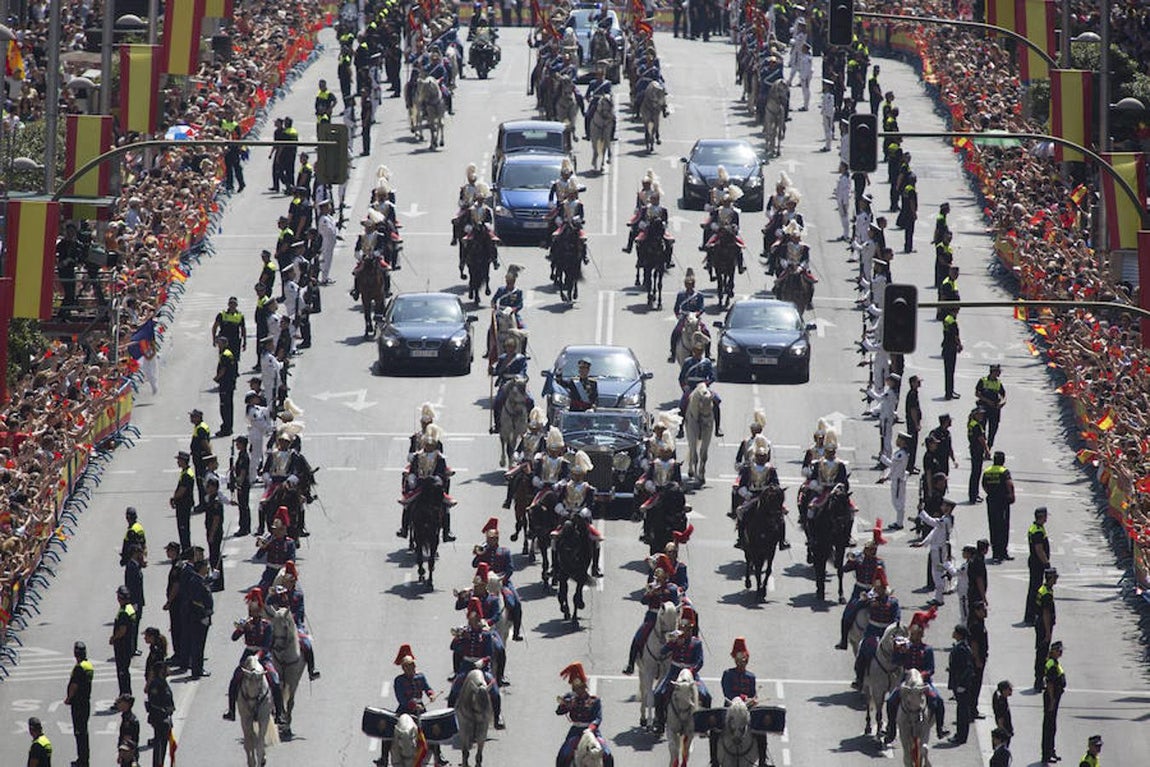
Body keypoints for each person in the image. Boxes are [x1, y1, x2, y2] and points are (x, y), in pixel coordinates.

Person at [448, 599, 505, 729]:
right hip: (467, 666)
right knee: (454, 690)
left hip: (482, 667)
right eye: (470, 619)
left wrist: (482, 661)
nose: (472, 622)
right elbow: (453, 648)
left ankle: (497, 717)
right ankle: (450, 719)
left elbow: (489, 655)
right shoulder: (464, 632)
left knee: (494, 691)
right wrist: (459, 638)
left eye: (474, 619)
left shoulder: (485, 635)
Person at [622, 555, 682, 675]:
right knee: (639, 636)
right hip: (653, 616)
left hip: (668, 618)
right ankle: (631, 664)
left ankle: (680, 665)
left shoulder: (672, 588)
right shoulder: (652, 586)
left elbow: (675, 604)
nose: (659, 578)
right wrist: (651, 593)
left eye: (662, 575)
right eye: (657, 575)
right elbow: (643, 601)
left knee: (680, 639)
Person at [717, 637, 771, 767]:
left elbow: (752, 693)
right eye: (740, 659)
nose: (743, 662)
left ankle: (763, 760)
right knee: (715, 729)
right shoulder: (728, 674)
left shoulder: (751, 677)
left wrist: (753, 700)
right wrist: (742, 698)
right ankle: (714, 761)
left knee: (761, 728)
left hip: (747, 709)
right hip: (731, 707)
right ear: (735, 660)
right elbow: (727, 693)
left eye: (745, 659)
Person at [654, 607, 711, 730]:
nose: (686, 630)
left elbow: (700, 662)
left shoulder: (696, 643)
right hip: (674, 672)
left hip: (690, 674)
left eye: (688, 628)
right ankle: (659, 722)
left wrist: (691, 671)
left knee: (706, 696)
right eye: (684, 627)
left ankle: (702, 725)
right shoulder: (675, 639)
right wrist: (672, 642)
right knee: (658, 693)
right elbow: (662, 652)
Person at [837, 523, 886, 649]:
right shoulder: (859, 559)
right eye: (869, 549)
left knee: (886, 612)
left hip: (873, 591)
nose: (871, 551)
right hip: (859, 590)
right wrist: (850, 562)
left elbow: (882, 579)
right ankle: (843, 641)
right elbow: (845, 569)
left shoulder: (879, 563)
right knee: (847, 615)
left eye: (873, 550)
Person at [473, 517, 524, 641]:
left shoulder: (504, 551)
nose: (490, 541)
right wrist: (478, 555)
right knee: (471, 599)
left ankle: (516, 632)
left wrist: (503, 580)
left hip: (502, 581)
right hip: (484, 582)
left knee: (516, 603)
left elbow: (510, 569)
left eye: (492, 539)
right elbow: (474, 565)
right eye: (488, 539)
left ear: (497, 539)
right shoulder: (484, 551)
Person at [555, 662, 611, 767]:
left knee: (607, 754)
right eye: (576, 689)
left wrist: (590, 729)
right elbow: (559, 712)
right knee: (563, 755)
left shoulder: (594, 700)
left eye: (580, 688)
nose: (578, 691)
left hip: (591, 731)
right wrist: (566, 705)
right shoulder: (570, 698)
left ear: (585, 687)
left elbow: (598, 718)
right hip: (576, 730)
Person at [853, 567, 899, 689]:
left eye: (880, 588)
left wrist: (893, 631)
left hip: (887, 631)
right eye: (876, 588)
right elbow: (858, 604)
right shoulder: (871, 598)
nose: (878, 591)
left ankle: (901, 680)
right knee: (862, 651)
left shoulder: (893, 602)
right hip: (872, 630)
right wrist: (865, 600)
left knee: (900, 652)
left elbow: (896, 618)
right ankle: (859, 678)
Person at [914, 496, 955, 606]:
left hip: (940, 551)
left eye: (944, 505)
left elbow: (930, 522)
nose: (942, 507)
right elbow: (934, 532)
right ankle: (938, 597)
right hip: (936, 550)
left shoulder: (946, 520)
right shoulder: (944, 519)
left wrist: (921, 511)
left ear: (949, 508)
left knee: (938, 573)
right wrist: (923, 543)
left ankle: (940, 597)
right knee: (936, 573)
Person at [678, 340, 723, 437]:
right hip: (691, 388)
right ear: (693, 351)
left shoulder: (706, 362)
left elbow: (712, 377)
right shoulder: (688, 362)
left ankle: (718, 428)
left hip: (703, 388)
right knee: (682, 404)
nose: (698, 353)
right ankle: (680, 429)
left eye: (700, 351)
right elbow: (681, 377)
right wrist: (684, 387)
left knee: (716, 401)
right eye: (696, 351)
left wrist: (705, 384)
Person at [982, 451, 1015, 561]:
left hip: (991, 501)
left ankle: (995, 553)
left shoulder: (987, 471)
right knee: (1003, 527)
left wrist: (991, 493)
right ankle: (1003, 552)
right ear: (1003, 460)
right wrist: (1011, 495)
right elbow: (1009, 484)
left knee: (993, 526)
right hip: (1003, 501)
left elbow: (984, 485)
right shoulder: (1004, 471)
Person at [946, 623, 976, 744]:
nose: (953, 633)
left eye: (955, 631)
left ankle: (961, 736)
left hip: (962, 685)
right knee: (961, 710)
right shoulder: (960, 647)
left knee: (962, 711)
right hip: (959, 683)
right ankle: (960, 734)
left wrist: (962, 685)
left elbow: (968, 668)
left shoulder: (962, 649)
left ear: (959, 634)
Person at [65, 641, 94, 766]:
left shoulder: (79, 668)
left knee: (79, 732)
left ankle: (82, 760)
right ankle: (84, 758)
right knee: (83, 732)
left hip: (78, 703)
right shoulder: (88, 665)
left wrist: (68, 698)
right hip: (86, 702)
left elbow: (74, 685)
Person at [184, 558, 214, 678]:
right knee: (198, 645)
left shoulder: (200, 580)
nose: (207, 568)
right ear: (201, 568)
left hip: (201, 617)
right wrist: (204, 615)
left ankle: (199, 668)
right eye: (206, 566)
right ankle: (197, 670)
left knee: (200, 645)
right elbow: (196, 601)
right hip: (198, 618)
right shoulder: (196, 582)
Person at [668, 269, 705, 362]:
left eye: (691, 284)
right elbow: (676, 308)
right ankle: (673, 353)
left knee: (705, 332)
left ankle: (708, 353)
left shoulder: (699, 295)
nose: (689, 286)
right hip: (684, 318)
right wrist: (678, 315)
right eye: (687, 284)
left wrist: (697, 313)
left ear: (693, 285)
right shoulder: (681, 295)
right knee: (675, 332)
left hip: (695, 318)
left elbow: (702, 308)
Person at [878, 432, 911, 530]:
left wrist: (882, 458)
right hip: (896, 479)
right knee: (896, 501)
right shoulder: (899, 452)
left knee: (898, 502)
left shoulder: (901, 454)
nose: (897, 441)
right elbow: (894, 469)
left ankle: (899, 523)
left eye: (899, 439)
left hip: (898, 481)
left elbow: (892, 465)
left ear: (904, 442)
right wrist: (886, 477)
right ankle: (898, 522)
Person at [1041, 641, 1066, 765]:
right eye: (1059, 650)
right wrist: (1051, 700)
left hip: (1055, 697)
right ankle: (1046, 754)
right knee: (1049, 727)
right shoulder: (1051, 664)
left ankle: (1051, 750)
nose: (1061, 653)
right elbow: (1050, 683)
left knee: (1052, 726)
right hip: (1052, 698)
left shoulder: (1054, 662)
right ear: (1053, 651)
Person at [1024, 507, 1051, 625]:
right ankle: (1031, 615)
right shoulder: (1038, 531)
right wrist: (1046, 563)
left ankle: (1030, 615)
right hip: (1037, 563)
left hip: (1035, 561)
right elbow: (1039, 549)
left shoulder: (1035, 527)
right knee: (1036, 589)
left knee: (1033, 588)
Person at [145, 663, 175, 767]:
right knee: (159, 746)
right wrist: (165, 710)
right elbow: (154, 702)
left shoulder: (163, 682)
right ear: (162, 670)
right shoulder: (156, 684)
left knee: (164, 745)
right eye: (167, 668)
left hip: (165, 718)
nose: (169, 670)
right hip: (159, 719)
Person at [1034, 567, 1058, 691]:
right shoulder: (1046, 594)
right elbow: (1046, 614)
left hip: (1040, 624)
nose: (1056, 580)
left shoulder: (1044, 589)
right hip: (1043, 626)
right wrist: (1048, 633)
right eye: (1055, 577)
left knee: (1041, 652)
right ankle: (1039, 679)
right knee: (1042, 653)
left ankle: (1039, 678)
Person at [111, 586, 138, 697]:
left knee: (122, 673)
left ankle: (124, 695)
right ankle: (126, 694)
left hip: (122, 646)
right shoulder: (130, 608)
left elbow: (122, 630)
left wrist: (113, 638)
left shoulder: (123, 612)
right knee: (125, 672)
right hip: (128, 644)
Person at [975, 364, 1007, 447]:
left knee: (993, 430)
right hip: (983, 409)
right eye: (998, 371)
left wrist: (1002, 403)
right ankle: (982, 446)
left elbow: (1004, 395)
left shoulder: (998, 383)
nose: (999, 373)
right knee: (981, 429)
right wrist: (988, 401)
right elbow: (977, 393)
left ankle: (989, 447)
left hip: (994, 409)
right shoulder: (983, 380)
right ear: (993, 372)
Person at [214, 336, 239, 437]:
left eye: (219, 343)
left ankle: (226, 428)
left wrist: (217, 378)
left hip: (225, 383)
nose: (218, 345)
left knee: (225, 407)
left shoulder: (225, 355)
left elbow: (223, 369)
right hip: (229, 383)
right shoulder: (228, 353)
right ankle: (228, 427)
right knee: (228, 406)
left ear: (224, 344)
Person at [124, 544, 145, 654]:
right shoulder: (132, 567)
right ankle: (131, 648)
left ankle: (133, 647)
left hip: (137, 601)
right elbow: (132, 586)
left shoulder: (135, 566)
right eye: (140, 553)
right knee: (133, 626)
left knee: (136, 625)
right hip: (134, 602)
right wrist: (133, 603)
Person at [230, 435, 253, 536]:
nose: (236, 445)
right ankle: (245, 526)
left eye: (238, 443)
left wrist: (238, 484)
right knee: (243, 506)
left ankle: (244, 527)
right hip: (242, 484)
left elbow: (243, 472)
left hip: (243, 484)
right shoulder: (241, 454)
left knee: (243, 506)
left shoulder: (244, 456)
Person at [967, 407, 990, 504]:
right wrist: (987, 450)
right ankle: (973, 495)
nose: (982, 416)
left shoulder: (972, 423)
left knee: (975, 473)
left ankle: (974, 494)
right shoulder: (976, 425)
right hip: (977, 450)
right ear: (975, 414)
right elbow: (981, 439)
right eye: (980, 414)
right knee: (976, 474)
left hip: (974, 449)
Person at [189, 409, 212, 505]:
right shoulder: (199, 426)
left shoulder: (200, 428)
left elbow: (204, 443)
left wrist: (209, 455)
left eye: (193, 416)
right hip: (199, 457)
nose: (191, 418)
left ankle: (203, 503)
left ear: (198, 417)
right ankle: (203, 502)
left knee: (201, 482)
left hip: (201, 459)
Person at [941, 310, 962, 400]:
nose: (957, 314)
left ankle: (949, 391)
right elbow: (955, 336)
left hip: (946, 347)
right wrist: (960, 345)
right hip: (951, 348)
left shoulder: (946, 319)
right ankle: (949, 393)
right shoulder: (952, 322)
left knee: (948, 371)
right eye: (956, 312)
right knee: (950, 371)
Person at [115, 694, 140, 764]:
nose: (118, 705)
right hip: (129, 753)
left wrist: (120, 755)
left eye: (120, 702)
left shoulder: (129, 721)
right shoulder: (127, 718)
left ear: (127, 705)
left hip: (128, 755)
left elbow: (126, 740)